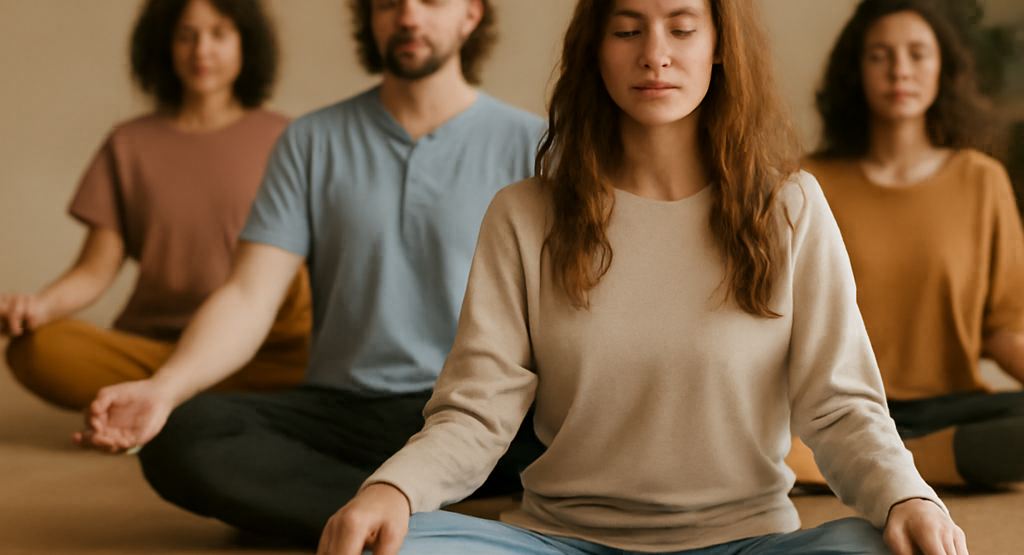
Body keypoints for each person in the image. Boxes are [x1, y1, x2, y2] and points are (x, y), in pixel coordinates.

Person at [320, 0, 969, 554]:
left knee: (882, 544)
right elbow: (475, 411)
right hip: (562, 539)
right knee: (398, 541)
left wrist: (907, 496)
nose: (654, 54)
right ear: (596, 50)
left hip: (743, 540)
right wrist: (391, 487)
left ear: (719, 46)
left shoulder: (791, 208)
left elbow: (840, 405)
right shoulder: (522, 215)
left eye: (682, 28)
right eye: (627, 30)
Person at [74, 0, 547, 545]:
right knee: (185, 436)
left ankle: (379, 518)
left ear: (471, 15)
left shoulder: (533, 144)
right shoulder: (311, 140)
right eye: (390, 3)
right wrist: (164, 389)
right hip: (345, 412)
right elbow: (249, 294)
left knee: (582, 440)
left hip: (483, 413)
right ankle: (430, 528)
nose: (409, 17)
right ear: (370, 18)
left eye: (432, 1)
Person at [1, 0, 311, 411]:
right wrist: (39, 305)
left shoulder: (290, 138)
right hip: (154, 349)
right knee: (36, 349)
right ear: (163, 45)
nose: (202, 50)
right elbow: (94, 270)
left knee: (302, 292)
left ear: (246, 44)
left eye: (219, 34)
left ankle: (178, 397)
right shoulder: (128, 145)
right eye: (186, 35)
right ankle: (181, 392)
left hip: (261, 347)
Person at [787, 0, 1024, 490]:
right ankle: (872, 457)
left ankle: (879, 464)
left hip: (951, 410)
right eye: (880, 55)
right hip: (838, 410)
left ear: (944, 69)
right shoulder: (809, 183)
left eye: (918, 54)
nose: (900, 70)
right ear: (855, 70)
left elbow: (1006, 330)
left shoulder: (982, 180)